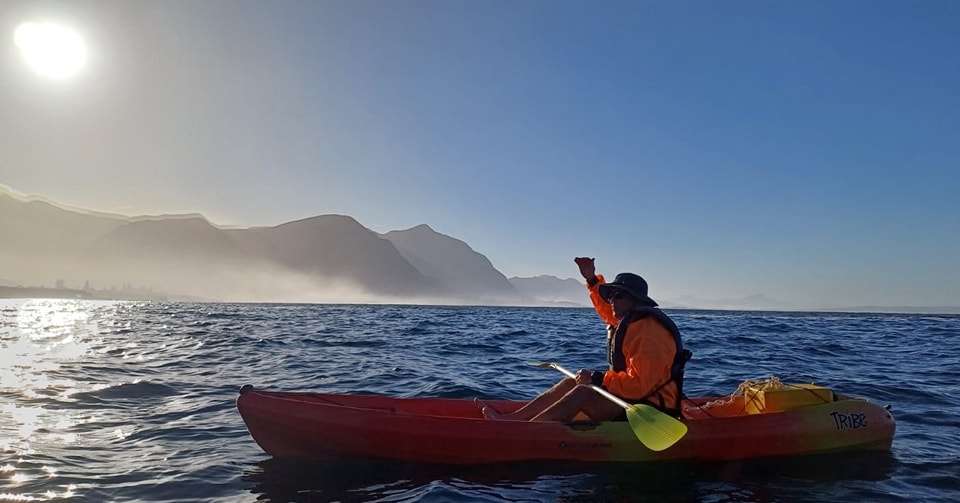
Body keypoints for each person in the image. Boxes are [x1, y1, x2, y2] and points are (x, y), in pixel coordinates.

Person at [482, 257, 689, 422]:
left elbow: (640, 385)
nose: (612, 301)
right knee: (571, 382)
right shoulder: (629, 320)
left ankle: (526, 433)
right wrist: (591, 279)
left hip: (650, 408)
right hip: (631, 398)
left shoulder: (649, 333)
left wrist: (598, 378)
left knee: (583, 393)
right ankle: (513, 420)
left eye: (619, 296)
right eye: (611, 295)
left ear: (635, 301)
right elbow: (607, 311)